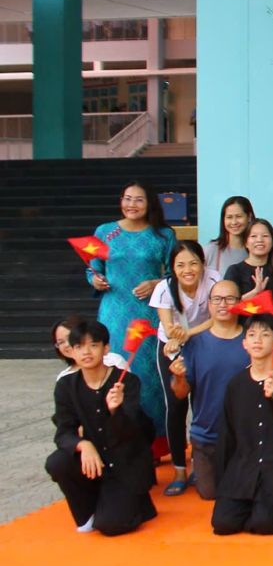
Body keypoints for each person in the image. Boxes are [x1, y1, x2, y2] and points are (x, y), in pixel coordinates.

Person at [46, 319, 156, 535]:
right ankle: (87, 512)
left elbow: (137, 433)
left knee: (112, 526)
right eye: (79, 347)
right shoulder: (66, 385)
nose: (86, 352)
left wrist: (116, 411)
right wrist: (83, 445)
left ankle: (139, 504)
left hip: (125, 463)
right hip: (94, 461)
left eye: (93, 345)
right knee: (57, 462)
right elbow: (64, 432)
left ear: (106, 348)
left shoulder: (126, 381)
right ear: (71, 352)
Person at [85, 180, 177, 431]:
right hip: (113, 315)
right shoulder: (105, 232)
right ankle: (115, 434)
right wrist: (95, 280)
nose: (131, 204)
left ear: (150, 203)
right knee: (114, 370)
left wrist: (156, 283)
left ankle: (156, 438)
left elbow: (176, 274)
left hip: (148, 316)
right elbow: (92, 268)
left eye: (138, 199)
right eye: (127, 198)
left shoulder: (163, 235)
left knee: (149, 376)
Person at [210, 313, 273, 536]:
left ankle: (272, 507)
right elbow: (227, 434)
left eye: (265, 335)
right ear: (244, 343)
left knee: (266, 525)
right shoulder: (236, 384)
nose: (257, 340)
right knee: (223, 524)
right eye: (252, 335)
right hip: (243, 465)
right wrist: (222, 481)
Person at [167, 279, 250, 500]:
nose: (223, 304)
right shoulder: (194, 343)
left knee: (241, 494)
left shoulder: (252, 341)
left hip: (244, 436)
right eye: (217, 299)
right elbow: (180, 393)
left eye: (230, 299)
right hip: (206, 436)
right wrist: (178, 377)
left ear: (240, 303)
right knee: (210, 494)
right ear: (209, 304)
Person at [148, 239, 217, 495]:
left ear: (203, 264)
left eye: (193, 263)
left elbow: (217, 318)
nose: (187, 270)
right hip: (172, 346)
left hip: (203, 343)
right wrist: (176, 338)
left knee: (202, 404)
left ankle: (200, 464)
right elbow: (169, 329)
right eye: (180, 265)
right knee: (175, 406)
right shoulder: (164, 289)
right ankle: (179, 468)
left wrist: (188, 334)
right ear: (172, 268)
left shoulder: (213, 280)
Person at [224, 219, 273, 311]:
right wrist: (255, 292)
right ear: (245, 242)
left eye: (265, 236)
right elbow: (229, 305)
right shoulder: (234, 271)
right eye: (253, 236)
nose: (259, 240)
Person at [53, 315, 127, 379]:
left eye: (70, 338)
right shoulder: (64, 378)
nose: (67, 344)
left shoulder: (114, 360)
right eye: (61, 342)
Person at [203, 195, 254, 277]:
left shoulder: (256, 250)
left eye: (239, 216)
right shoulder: (211, 250)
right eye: (229, 217)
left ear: (249, 217)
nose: (234, 222)